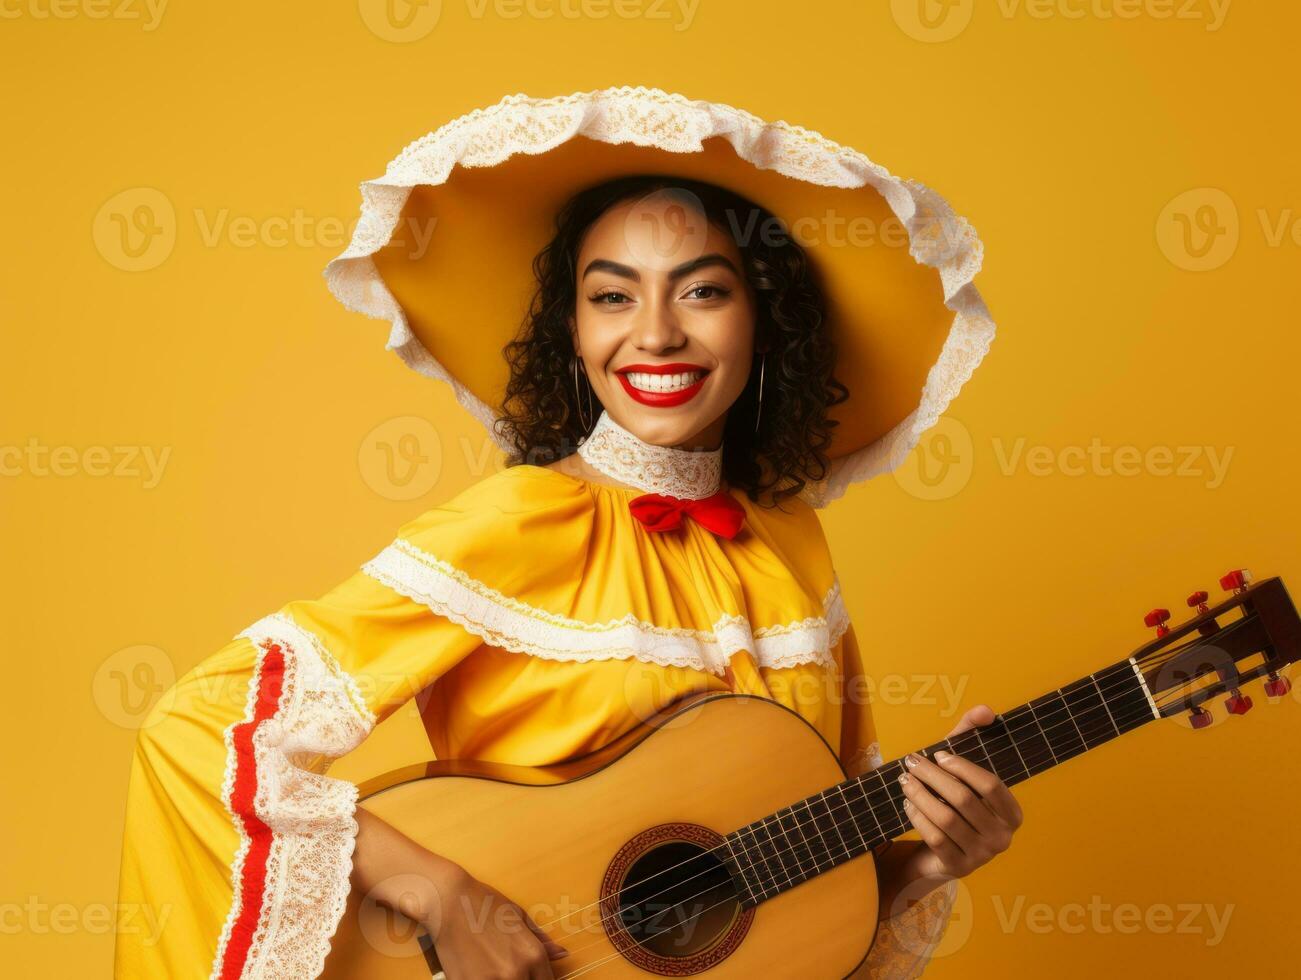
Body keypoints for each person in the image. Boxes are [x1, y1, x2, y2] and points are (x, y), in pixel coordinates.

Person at [114, 86, 1009, 979]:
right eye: (612, 297)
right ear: (571, 332)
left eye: (701, 290)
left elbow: (793, 909)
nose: (654, 335)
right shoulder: (519, 521)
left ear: (764, 321)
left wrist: (928, 857)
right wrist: (441, 892)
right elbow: (200, 725)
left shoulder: (793, 544)